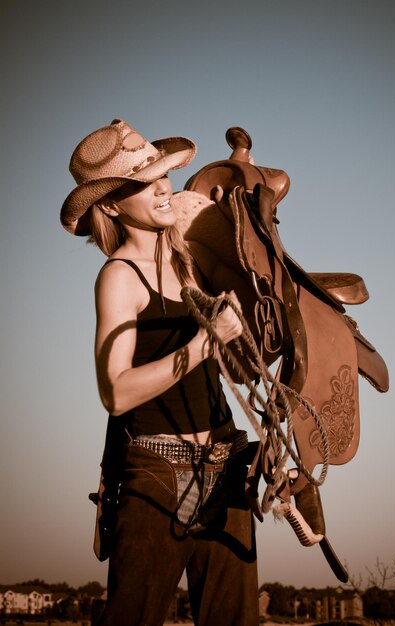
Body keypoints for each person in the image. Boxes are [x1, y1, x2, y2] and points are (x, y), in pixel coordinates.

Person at [60, 119, 259, 626]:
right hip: (156, 471)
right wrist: (204, 342)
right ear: (109, 205)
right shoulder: (118, 277)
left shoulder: (191, 265)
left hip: (225, 461)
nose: (163, 187)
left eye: (163, 174)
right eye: (144, 183)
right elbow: (117, 392)